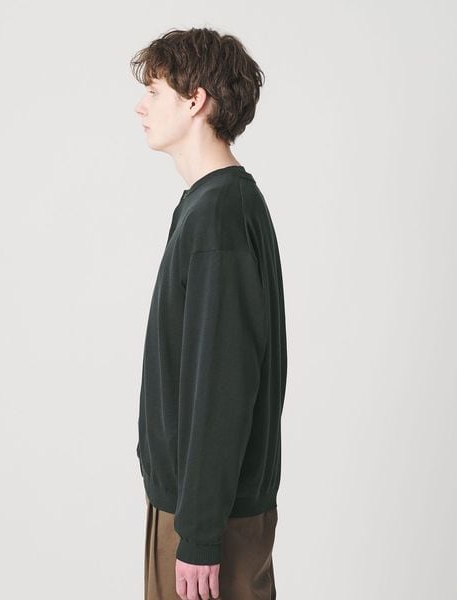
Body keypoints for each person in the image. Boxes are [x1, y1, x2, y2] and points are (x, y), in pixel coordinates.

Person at [130, 26, 287, 600]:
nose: (141, 106)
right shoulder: (212, 204)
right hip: (199, 506)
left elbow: (223, 382)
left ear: (195, 100)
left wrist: (197, 534)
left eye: (155, 91)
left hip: (208, 519)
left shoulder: (219, 213)